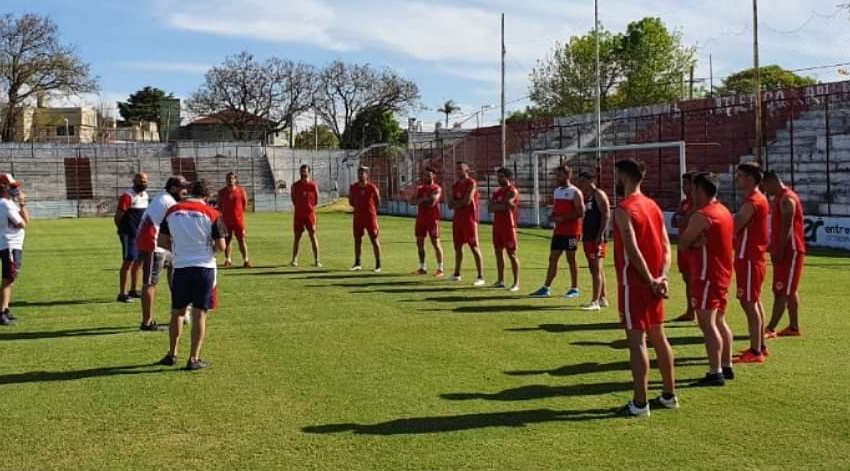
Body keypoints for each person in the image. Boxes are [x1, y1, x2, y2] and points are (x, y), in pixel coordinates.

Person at [612, 159, 677, 417]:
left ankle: (640, 403)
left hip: (635, 283)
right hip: (655, 283)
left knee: (637, 340)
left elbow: (631, 248)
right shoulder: (653, 206)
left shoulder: (624, 208)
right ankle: (669, 395)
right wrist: (663, 276)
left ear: (623, 176)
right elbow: (666, 245)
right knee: (659, 337)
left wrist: (650, 278)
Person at [157, 180, 226, 371]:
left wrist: (179, 251)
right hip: (204, 268)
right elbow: (221, 246)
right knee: (199, 314)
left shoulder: (172, 211)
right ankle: (193, 358)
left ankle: (172, 354)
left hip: (180, 268)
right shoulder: (212, 214)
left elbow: (162, 241)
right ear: (207, 196)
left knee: (177, 312)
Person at [679, 172, 735, 387]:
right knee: (720, 320)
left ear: (701, 190)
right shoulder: (723, 210)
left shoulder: (702, 216)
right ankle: (726, 365)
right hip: (721, 273)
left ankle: (716, 371)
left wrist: (693, 243)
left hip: (706, 275)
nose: (690, 193)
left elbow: (683, 243)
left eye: (693, 189)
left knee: (707, 324)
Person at [136, 176, 189, 331]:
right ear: (173, 189)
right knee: (150, 283)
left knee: (175, 275)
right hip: (153, 243)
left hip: (161, 242)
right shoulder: (169, 201)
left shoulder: (164, 198)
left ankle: (180, 311)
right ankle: (147, 322)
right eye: (182, 187)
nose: (185, 191)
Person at [732, 163, 771, 363]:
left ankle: (756, 351)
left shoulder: (753, 201)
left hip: (749, 258)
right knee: (754, 300)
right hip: (752, 257)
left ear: (749, 178)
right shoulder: (758, 199)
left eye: (739, 176)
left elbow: (736, 224)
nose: (737, 179)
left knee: (748, 302)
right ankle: (760, 346)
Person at [529, 164, 585, 298]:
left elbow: (580, 212)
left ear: (567, 175)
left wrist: (562, 218)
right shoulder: (557, 191)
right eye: (556, 175)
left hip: (572, 232)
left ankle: (574, 288)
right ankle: (546, 288)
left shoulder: (575, 192)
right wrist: (552, 216)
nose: (557, 177)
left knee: (571, 259)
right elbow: (557, 209)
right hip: (559, 232)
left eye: (559, 175)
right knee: (552, 258)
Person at [763, 171, 806, 338]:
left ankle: (770, 328)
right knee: (789, 289)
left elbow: (787, 228)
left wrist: (779, 250)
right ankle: (793, 327)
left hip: (790, 251)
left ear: (772, 181)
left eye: (765, 186)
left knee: (781, 290)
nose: (765, 190)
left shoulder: (787, 199)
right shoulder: (781, 198)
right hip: (788, 250)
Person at [576, 171, 611, 310]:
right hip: (588, 236)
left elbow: (606, 214)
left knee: (596, 268)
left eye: (583, 181)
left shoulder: (598, 194)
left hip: (596, 237)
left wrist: (601, 234)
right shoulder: (588, 196)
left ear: (591, 180)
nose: (581, 184)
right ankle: (603, 298)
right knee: (595, 269)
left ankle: (595, 301)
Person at [114, 173, 149, 303]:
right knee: (128, 261)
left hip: (141, 235)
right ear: (134, 181)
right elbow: (118, 216)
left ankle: (134, 289)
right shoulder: (127, 196)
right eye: (140, 181)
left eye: (145, 181)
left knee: (139, 262)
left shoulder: (145, 195)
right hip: (129, 234)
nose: (143, 183)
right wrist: (123, 231)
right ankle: (122, 293)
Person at [449, 162, 485, 286]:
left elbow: (467, 201)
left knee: (474, 246)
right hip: (457, 219)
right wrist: (459, 203)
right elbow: (449, 204)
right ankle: (457, 273)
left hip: (469, 219)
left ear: (467, 170)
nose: (458, 171)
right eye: (457, 169)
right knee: (458, 247)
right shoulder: (455, 185)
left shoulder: (471, 183)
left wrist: (457, 203)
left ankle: (480, 276)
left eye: (461, 169)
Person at [0, 174, 28, 326]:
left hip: (13, 243)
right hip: (9, 244)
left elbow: (26, 221)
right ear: (3, 187)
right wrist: (22, 205)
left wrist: (21, 205)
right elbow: (23, 223)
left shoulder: (9, 203)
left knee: (10, 279)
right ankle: (2, 311)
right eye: (12, 186)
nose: (15, 189)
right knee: (8, 279)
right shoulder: (5, 204)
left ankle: (6, 309)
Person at [489, 167, 520, 291]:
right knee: (498, 253)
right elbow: (491, 208)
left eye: (501, 176)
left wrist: (499, 205)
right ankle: (500, 280)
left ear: (507, 177)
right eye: (498, 176)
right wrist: (500, 205)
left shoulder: (512, 190)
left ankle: (516, 283)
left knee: (512, 254)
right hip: (497, 226)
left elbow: (508, 204)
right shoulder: (496, 192)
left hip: (509, 226)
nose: (499, 179)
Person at [672, 172, 697, 321]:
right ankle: (690, 310)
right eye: (683, 184)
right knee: (687, 279)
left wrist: (683, 218)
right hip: (683, 247)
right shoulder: (684, 202)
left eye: (686, 184)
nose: (683, 187)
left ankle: (699, 310)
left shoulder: (698, 203)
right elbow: (675, 221)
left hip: (693, 247)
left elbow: (682, 220)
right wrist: (682, 218)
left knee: (695, 280)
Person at [348, 166, 382, 272]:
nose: (360, 175)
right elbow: (351, 201)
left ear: (367, 175)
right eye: (359, 173)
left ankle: (378, 265)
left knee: (374, 239)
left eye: (362, 173)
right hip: (358, 217)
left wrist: (372, 211)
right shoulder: (353, 187)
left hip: (370, 217)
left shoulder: (372, 187)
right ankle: (357, 263)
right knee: (357, 240)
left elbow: (378, 201)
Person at [413, 167, 445, 277]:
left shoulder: (437, 188)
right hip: (421, 219)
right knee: (420, 243)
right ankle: (422, 267)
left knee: (435, 243)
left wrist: (421, 200)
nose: (426, 177)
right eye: (425, 175)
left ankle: (440, 269)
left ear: (434, 176)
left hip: (432, 219)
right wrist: (424, 199)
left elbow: (432, 202)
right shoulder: (420, 189)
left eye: (429, 175)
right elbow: (412, 201)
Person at [218, 172, 252, 268]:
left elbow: (245, 204)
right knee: (227, 241)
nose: (230, 180)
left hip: (238, 221)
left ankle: (246, 260)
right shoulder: (221, 192)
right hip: (226, 221)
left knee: (241, 240)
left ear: (235, 179)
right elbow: (219, 205)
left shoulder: (241, 191)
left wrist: (239, 214)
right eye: (228, 178)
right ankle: (228, 260)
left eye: (232, 178)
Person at [290, 165, 321, 267]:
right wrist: (299, 206)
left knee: (313, 235)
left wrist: (310, 207)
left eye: (305, 171)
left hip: (310, 214)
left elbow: (316, 200)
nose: (303, 173)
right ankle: (294, 260)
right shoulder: (295, 185)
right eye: (301, 171)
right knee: (297, 237)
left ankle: (317, 260)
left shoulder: (313, 185)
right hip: (299, 214)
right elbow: (293, 198)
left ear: (309, 172)